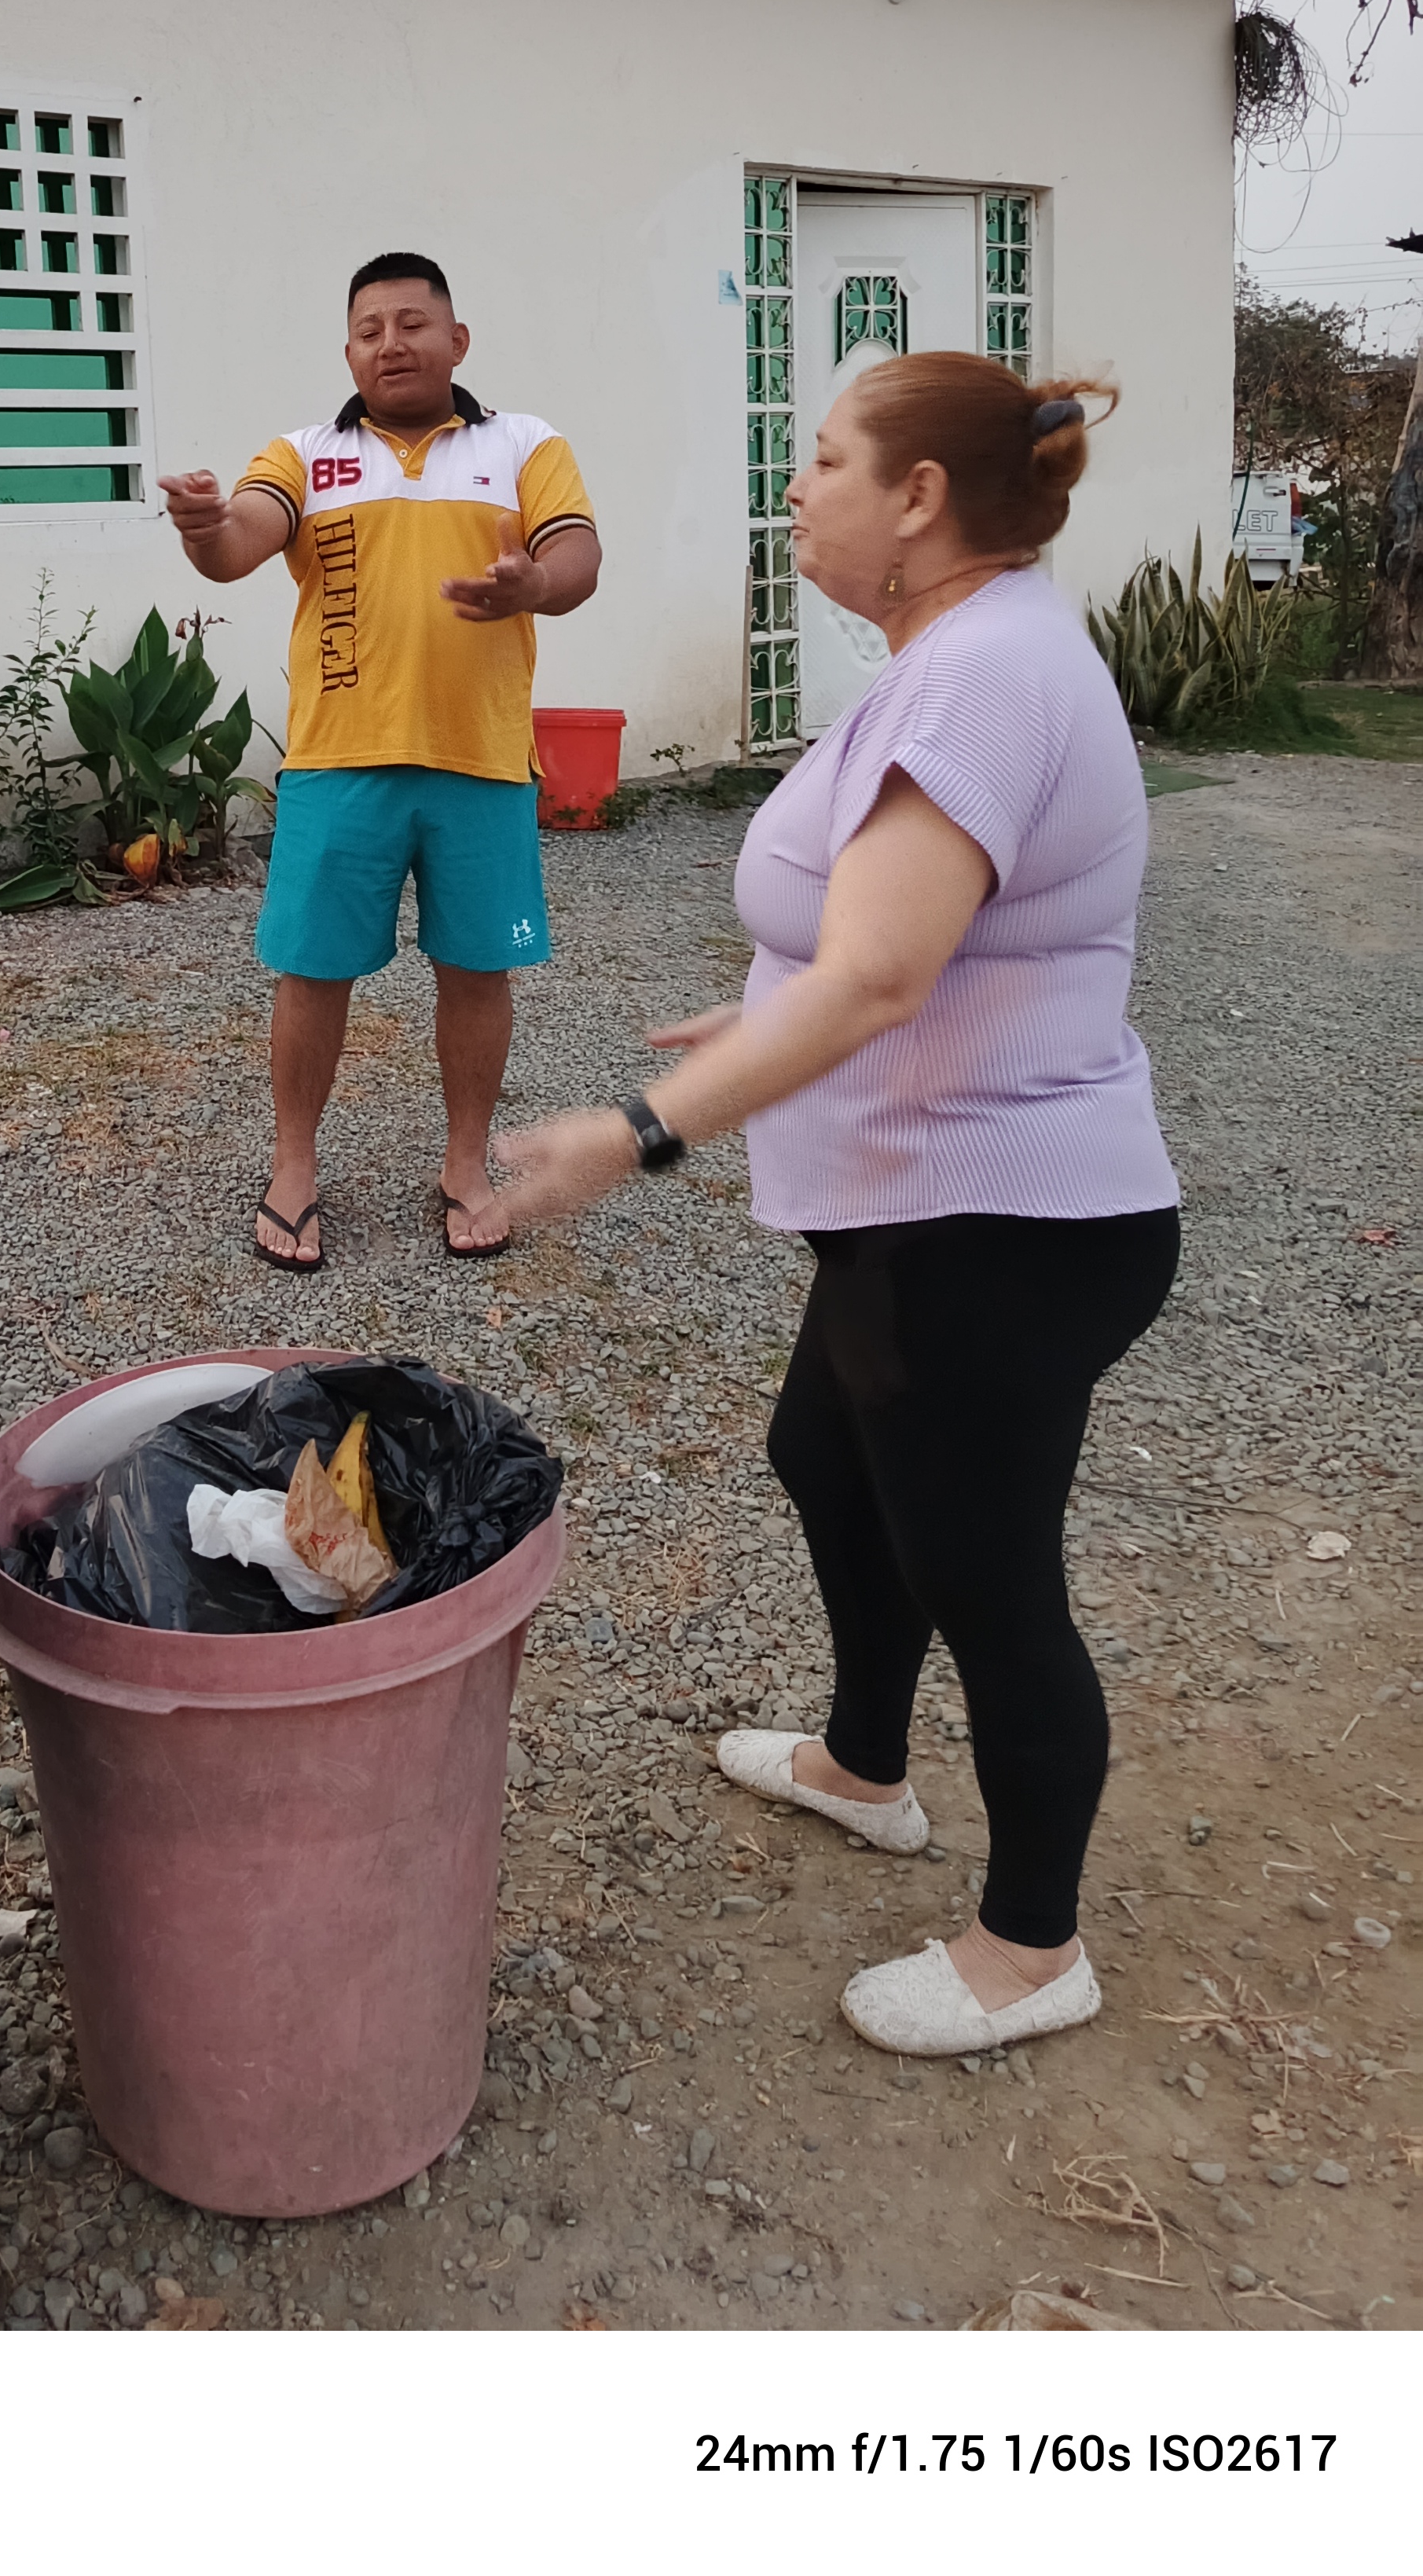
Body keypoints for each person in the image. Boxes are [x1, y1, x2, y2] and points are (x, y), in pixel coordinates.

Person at [493, 353, 1180, 2060]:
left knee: (987, 1574)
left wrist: (635, 1134)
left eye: (822, 459)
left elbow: (879, 970)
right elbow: (908, 932)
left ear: (920, 498)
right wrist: (759, 1020)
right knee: (827, 1455)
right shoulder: (958, 655)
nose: (796, 489)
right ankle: (867, 1765)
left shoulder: (983, 678)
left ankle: (1033, 1945)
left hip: (1000, 1226)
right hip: (923, 1208)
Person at [158, 251, 600, 1268]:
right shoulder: (304, 454)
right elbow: (239, 544)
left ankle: (466, 1166)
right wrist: (203, 529)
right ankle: (293, 1168)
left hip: (481, 762)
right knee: (312, 972)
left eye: (412, 323)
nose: (390, 344)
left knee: (479, 972)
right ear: (349, 351)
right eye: (369, 330)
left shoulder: (525, 444)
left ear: (457, 340)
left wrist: (534, 584)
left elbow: (577, 557)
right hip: (338, 764)